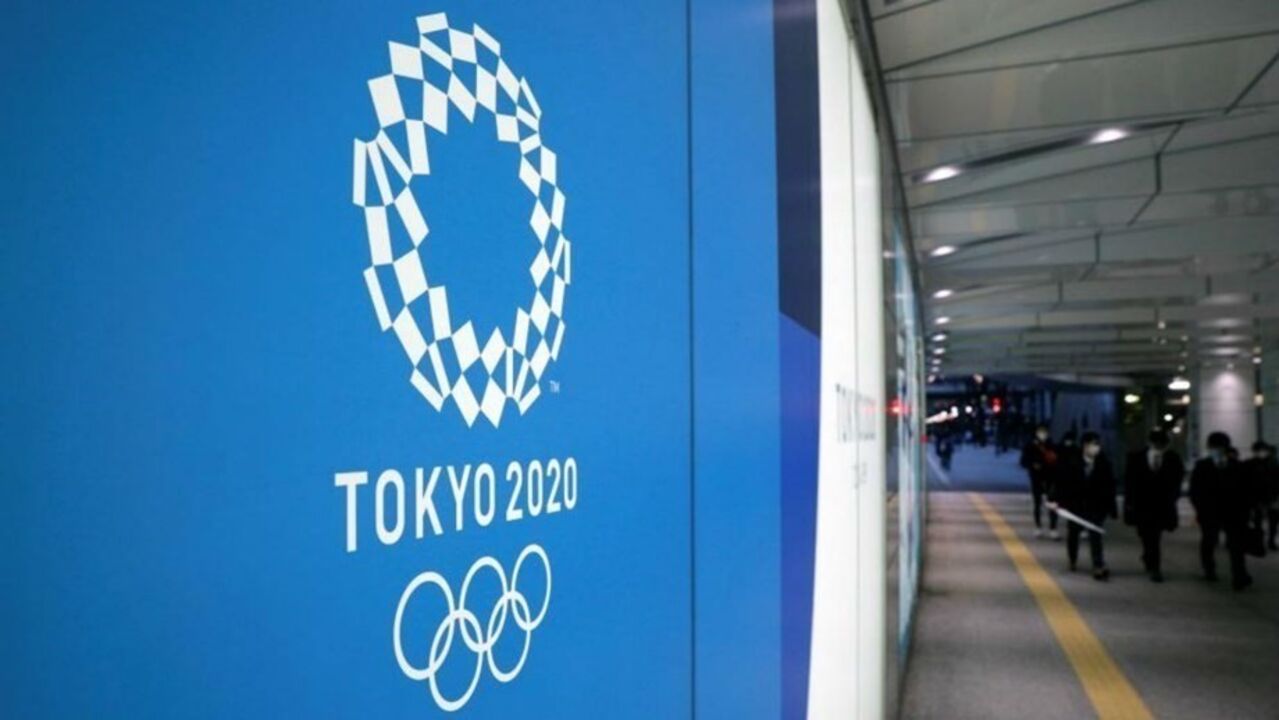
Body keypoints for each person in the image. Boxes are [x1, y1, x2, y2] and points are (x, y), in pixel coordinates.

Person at [1189, 432, 1253, 590]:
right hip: (1210, 512)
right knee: (1209, 541)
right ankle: (1209, 569)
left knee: (1235, 545)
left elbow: (1246, 490)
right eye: (1214, 447)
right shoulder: (1202, 466)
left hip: (1233, 512)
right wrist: (1200, 509)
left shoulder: (1237, 466)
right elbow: (1195, 490)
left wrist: (1245, 510)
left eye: (1220, 447)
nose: (1217, 450)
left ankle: (1239, 575)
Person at [1123, 429, 1184, 582]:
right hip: (1142, 504)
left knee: (1155, 536)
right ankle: (1148, 556)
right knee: (1145, 535)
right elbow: (1129, 482)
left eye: (1162, 444)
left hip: (1161, 505)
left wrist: (1173, 498)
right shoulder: (1136, 458)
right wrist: (1129, 503)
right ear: (1150, 443)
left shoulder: (1173, 458)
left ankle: (1155, 567)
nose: (1159, 446)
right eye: (1156, 443)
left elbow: (1177, 480)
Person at [1053, 432, 1116, 580]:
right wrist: (1060, 502)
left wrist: (1110, 507)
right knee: (1073, 534)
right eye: (1093, 444)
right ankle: (1072, 559)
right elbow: (1063, 483)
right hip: (1076, 505)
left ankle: (1098, 564)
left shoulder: (1104, 463)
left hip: (1095, 505)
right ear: (1084, 446)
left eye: (1097, 444)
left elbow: (1109, 486)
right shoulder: (1072, 462)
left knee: (1095, 534)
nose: (1096, 447)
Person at [1020, 423, 1060, 539]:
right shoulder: (1030, 446)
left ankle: (1053, 528)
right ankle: (1038, 527)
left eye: (1044, 431)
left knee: (1053, 503)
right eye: (1040, 431)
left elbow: (1059, 461)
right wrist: (1033, 464)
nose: (1042, 434)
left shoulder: (1052, 445)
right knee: (1037, 503)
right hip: (1036, 477)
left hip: (1050, 477)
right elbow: (1023, 461)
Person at [1243, 441, 1279, 551]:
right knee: (1258, 521)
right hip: (1256, 497)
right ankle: (1259, 542)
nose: (1260, 452)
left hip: (1271, 496)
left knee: (1273, 521)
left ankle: (1271, 541)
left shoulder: (1274, 463)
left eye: (1263, 450)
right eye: (1258, 450)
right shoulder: (1249, 464)